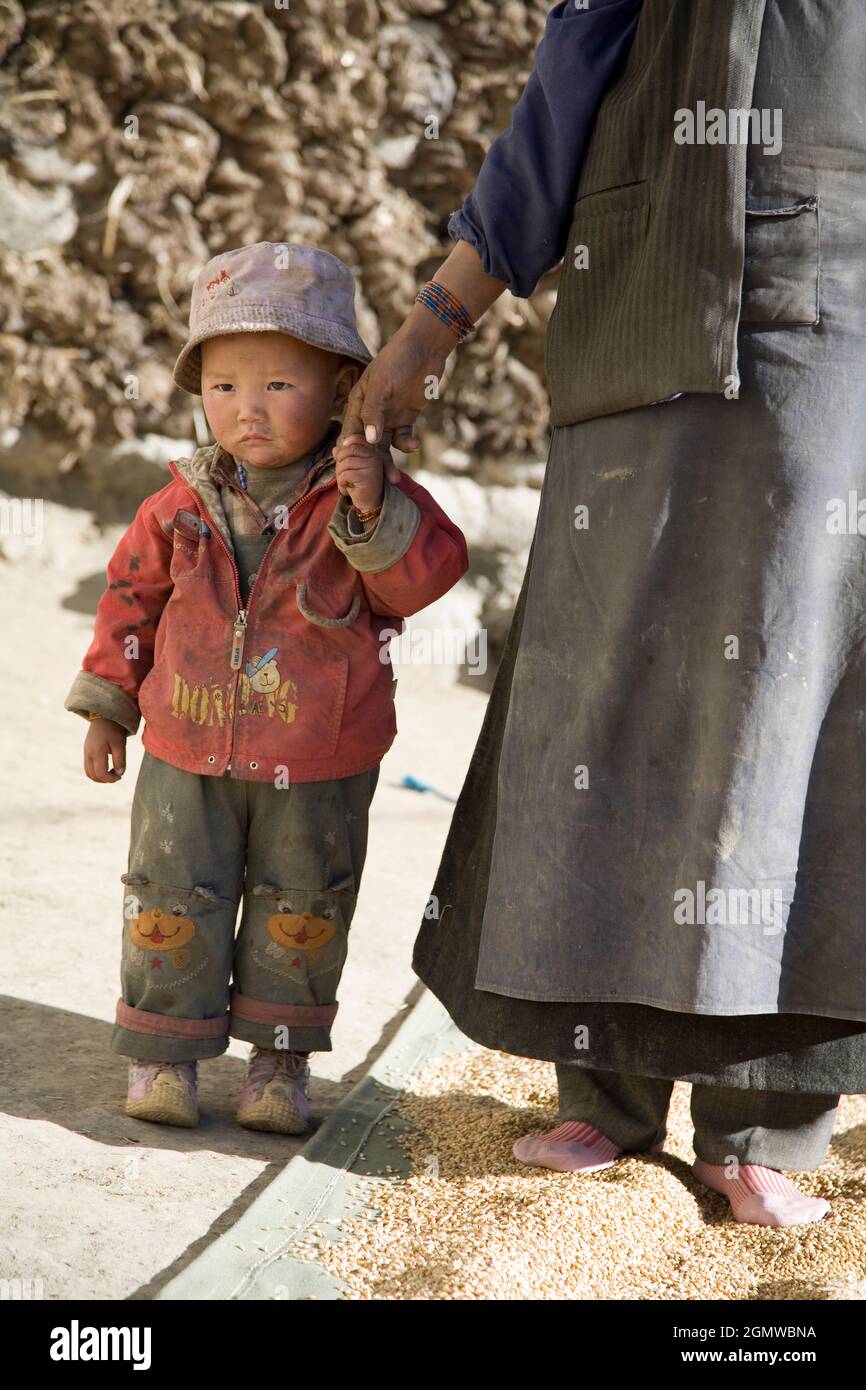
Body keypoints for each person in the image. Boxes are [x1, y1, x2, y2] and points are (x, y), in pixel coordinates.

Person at [334, 0, 866, 1227]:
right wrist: (436, 317)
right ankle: (607, 1089)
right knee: (608, 691)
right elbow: (568, 73)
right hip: (641, 290)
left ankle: (762, 1121)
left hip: (834, 314)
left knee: (789, 702)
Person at [64, 242, 468, 1133]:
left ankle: (278, 1068)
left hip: (320, 760)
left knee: (303, 906)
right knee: (173, 893)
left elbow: (421, 582)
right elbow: (130, 600)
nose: (246, 410)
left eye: (278, 386)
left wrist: (373, 511)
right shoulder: (180, 500)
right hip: (185, 752)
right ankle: (166, 1057)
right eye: (223, 387)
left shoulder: (366, 489)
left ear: (338, 387)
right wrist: (108, 706)